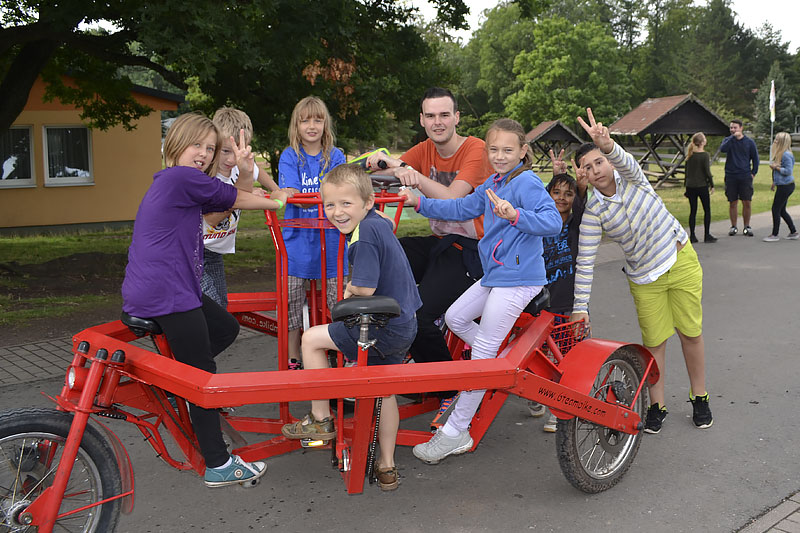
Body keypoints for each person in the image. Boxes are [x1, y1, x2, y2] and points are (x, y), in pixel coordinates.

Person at [122, 113, 288, 487]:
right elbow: (239, 200)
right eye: (197, 144)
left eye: (209, 149)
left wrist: (246, 175)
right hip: (167, 291)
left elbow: (220, 210)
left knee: (225, 327)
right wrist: (278, 201)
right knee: (202, 376)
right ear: (175, 144)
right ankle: (217, 462)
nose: (203, 154)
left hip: (170, 287)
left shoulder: (178, 183)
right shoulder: (182, 178)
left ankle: (176, 380)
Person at [400, 118, 562, 464]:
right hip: (496, 275)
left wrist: (516, 215)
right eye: (494, 149)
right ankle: (502, 365)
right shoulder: (494, 182)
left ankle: (456, 431)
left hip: (520, 278)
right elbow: (461, 208)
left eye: (507, 150)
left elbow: (553, 222)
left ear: (522, 151)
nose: (499, 155)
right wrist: (419, 203)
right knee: (455, 317)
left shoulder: (526, 183)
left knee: (482, 352)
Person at [570, 107, 712, 434]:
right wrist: (580, 307)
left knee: (690, 333)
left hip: (680, 261)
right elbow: (586, 261)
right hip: (644, 278)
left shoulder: (632, 178)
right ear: (584, 176)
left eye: (599, 162)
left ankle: (699, 396)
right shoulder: (594, 212)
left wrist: (606, 145)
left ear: (607, 162)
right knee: (654, 343)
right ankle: (657, 404)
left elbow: (625, 161)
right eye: (587, 168)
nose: (596, 170)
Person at [280, 164, 422, 491]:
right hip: (403, 324)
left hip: (381, 326)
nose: (337, 212)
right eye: (330, 205)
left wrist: (348, 290)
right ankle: (386, 465)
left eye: (346, 204)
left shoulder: (363, 237)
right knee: (384, 393)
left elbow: (366, 289)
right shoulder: (377, 223)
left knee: (312, 340)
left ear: (367, 203)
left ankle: (320, 417)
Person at [365, 87, 493, 427]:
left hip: (473, 249)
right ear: (422, 120)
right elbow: (386, 169)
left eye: (444, 115)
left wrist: (414, 176)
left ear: (456, 117)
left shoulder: (475, 149)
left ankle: (449, 390)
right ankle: (384, 358)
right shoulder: (423, 149)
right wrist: (379, 161)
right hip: (440, 241)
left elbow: (453, 199)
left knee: (418, 313)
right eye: (431, 116)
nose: (438, 122)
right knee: (381, 256)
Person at [279, 97, 347, 369]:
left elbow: (340, 190)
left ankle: (338, 354)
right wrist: (322, 195)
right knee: (292, 302)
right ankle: (294, 358)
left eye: (317, 119)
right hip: (298, 242)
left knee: (338, 303)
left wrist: (323, 196)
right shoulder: (290, 156)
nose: (312, 125)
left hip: (332, 239)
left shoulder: (336, 155)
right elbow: (293, 193)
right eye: (305, 120)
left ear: (325, 124)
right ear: (296, 125)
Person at [527, 149, 588, 432]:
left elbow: (582, 203)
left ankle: (559, 407)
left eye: (568, 193)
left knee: (568, 355)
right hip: (541, 300)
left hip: (567, 301)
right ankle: (537, 396)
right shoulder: (542, 222)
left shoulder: (577, 224)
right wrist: (554, 175)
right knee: (537, 353)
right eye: (556, 192)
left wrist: (580, 183)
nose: (562, 198)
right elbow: (540, 202)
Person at [201, 107, 284, 308]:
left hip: (214, 252)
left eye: (239, 151)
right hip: (195, 250)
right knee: (212, 311)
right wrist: (271, 199)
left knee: (220, 305)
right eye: (226, 151)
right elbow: (214, 217)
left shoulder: (241, 165)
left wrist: (275, 188)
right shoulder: (208, 176)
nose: (231, 159)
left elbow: (256, 171)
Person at [720, 119, 759, 237]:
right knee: (733, 202)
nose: (732, 130)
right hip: (731, 176)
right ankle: (733, 226)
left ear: (741, 128)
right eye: (731, 128)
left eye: (735, 128)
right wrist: (732, 138)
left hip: (745, 176)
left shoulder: (749, 142)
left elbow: (755, 159)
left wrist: (753, 173)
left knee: (747, 201)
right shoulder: (728, 140)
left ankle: (747, 226)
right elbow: (723, 149)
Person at [763, 132, 798, 242]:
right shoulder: (780, 154)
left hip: (786, 186)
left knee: (775, 209)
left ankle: (775, 234)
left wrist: (775, 167)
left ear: (782, 142)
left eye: (777, 140)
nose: (774, 141)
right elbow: (778, 171)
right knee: (781, 210)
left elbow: (788, 171)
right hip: (782, 185)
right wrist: (774, 182)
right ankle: (793, 232)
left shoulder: (786, 155)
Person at [684, 132, 717, 243]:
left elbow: (686, 173)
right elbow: (707, 172)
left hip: (690, 186)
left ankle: (692, 235)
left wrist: (686, 187)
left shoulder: (689, 155)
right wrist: (712, 184)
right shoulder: (704, 155)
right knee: (706, 210)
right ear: (702, 142)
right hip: (701, 185)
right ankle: (706, 235)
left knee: (693, 211)